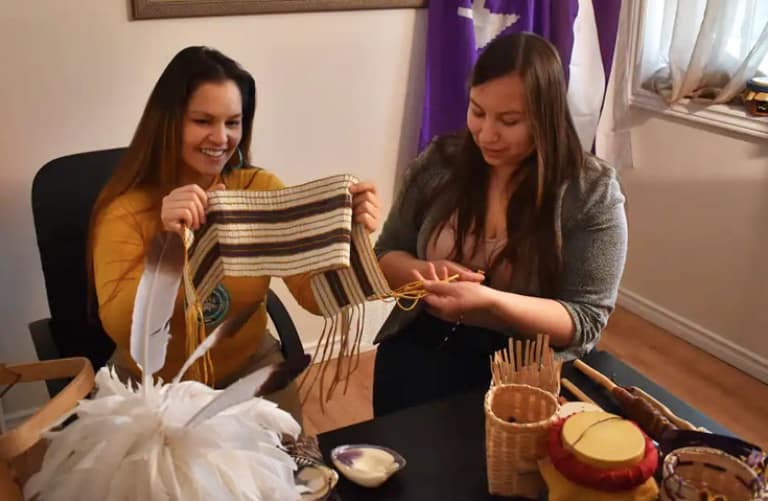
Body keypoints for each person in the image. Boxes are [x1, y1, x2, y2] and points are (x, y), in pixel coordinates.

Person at [88, 46, 381, 423]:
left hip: (250, 372)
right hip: (152, 390)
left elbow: (315, 296)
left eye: (232, 122)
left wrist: (351, 238)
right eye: (202, 120)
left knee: (290, 474)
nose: (221, 137)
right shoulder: (124, 211)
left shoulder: (259, 189)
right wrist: (170, 245)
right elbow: (126, 331)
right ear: (168, 122)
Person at [372, 32, 628, 416]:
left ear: (546, 118)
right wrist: (426, 273)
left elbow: (585, 320)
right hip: (421, 347)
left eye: (509, 121)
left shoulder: (590, 192)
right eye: (477, 111)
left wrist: (490, 302)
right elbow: (384, 257)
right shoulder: (439, 164)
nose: (486, 134)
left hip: (526, 370)